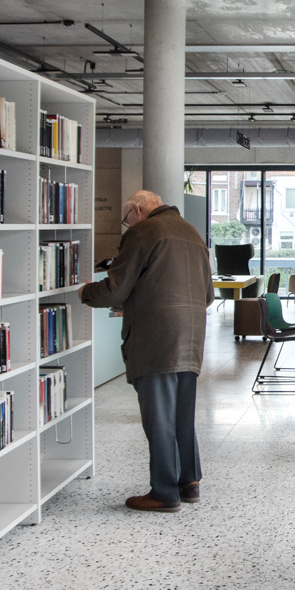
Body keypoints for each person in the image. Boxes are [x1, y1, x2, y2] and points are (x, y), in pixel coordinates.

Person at [80, 189, 213, 512]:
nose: (127, 227)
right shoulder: (192, 232)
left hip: (156, 338)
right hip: (192, 336)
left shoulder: (143, 232)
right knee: (182, 414)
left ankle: (164, 493)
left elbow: (116, 287)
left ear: (137, 211)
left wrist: (84, 291)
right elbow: (208, 294)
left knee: (159, 418)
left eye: (126, 220)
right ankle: (188, 482)